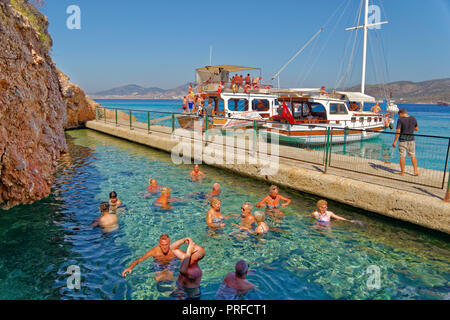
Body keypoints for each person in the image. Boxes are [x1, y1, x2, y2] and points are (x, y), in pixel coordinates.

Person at [122, 235, 192, 282]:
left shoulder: (174, 250)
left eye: (166, 244)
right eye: (162, 245)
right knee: (157, 279)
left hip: (172, 262)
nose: (164, 247)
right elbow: (140, 259)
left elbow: (187, 257)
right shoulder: (155, 251)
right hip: (158, 263)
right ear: (159, 244)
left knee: (170, 277)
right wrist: (130, 267)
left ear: (169, 243)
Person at [392, 109, 419, 176]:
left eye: (399, 115)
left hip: (402, 140)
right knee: (413, 155)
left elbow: (398, 131)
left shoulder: (400, 119)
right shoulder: (413, 118)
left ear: (400, 113)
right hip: (411, 139)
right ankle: (415, 171)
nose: (399, 116)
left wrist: (395, 141)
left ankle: (402, 172)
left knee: (402, 156)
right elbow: (416, 129)